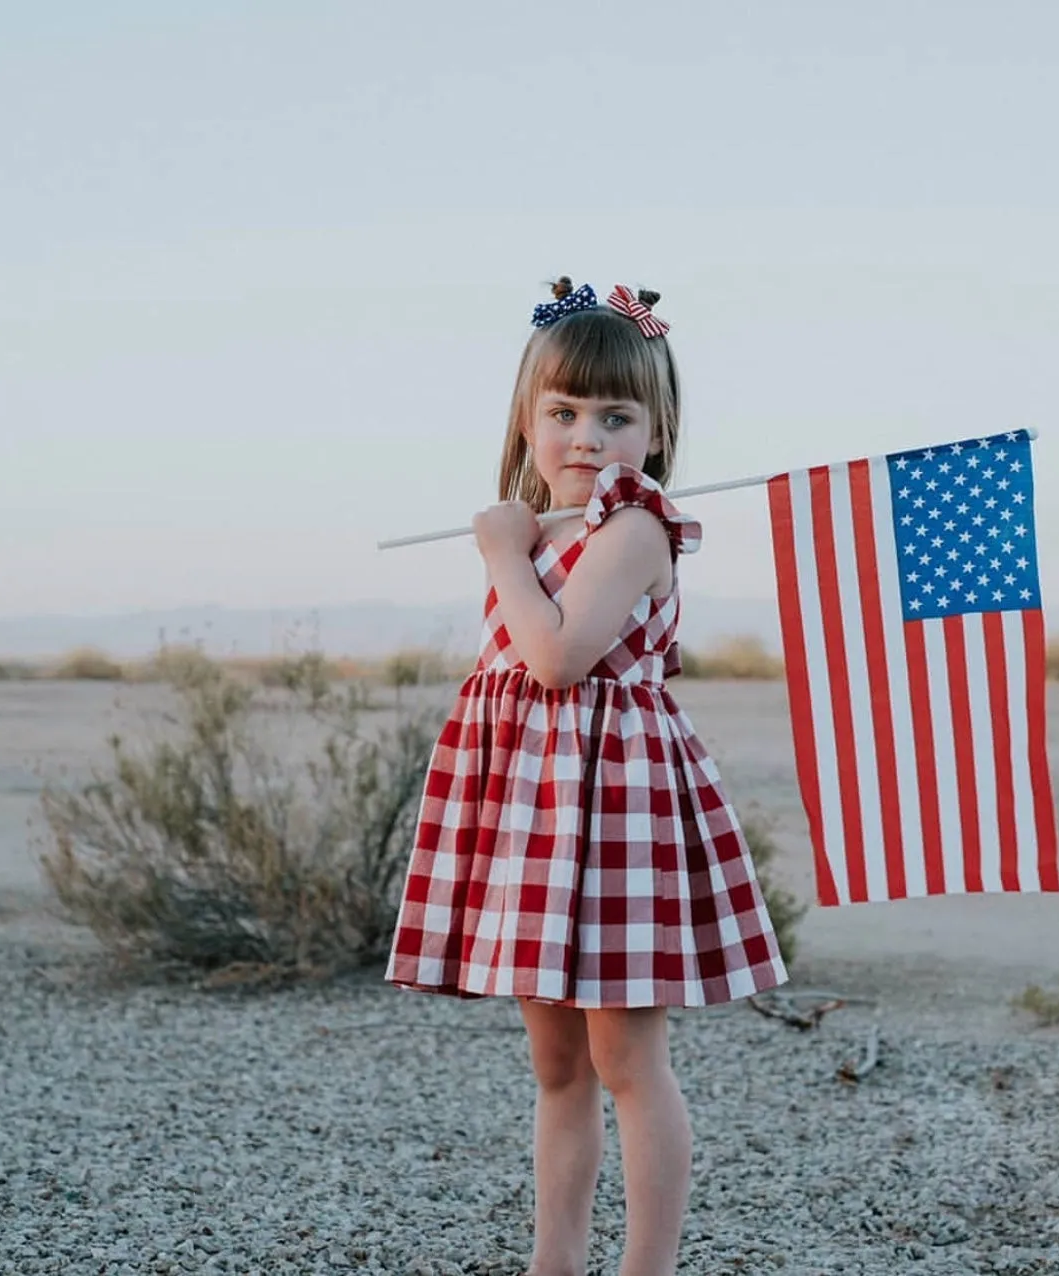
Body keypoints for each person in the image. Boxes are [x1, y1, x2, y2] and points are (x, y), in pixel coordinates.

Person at [386, 279, 788, 1276]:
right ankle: (551, 1260)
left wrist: (502, 553)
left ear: (654, 433)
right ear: (525, 425)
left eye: (613, 415)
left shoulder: (634, 526)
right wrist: (517, 544)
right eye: (561, 413)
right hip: (529, 812)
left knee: (625, 1060)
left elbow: (558, 659)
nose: (585, 435)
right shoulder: (540, 530)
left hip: (612, 815)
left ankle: (643, 1268)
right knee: (555, 1063)